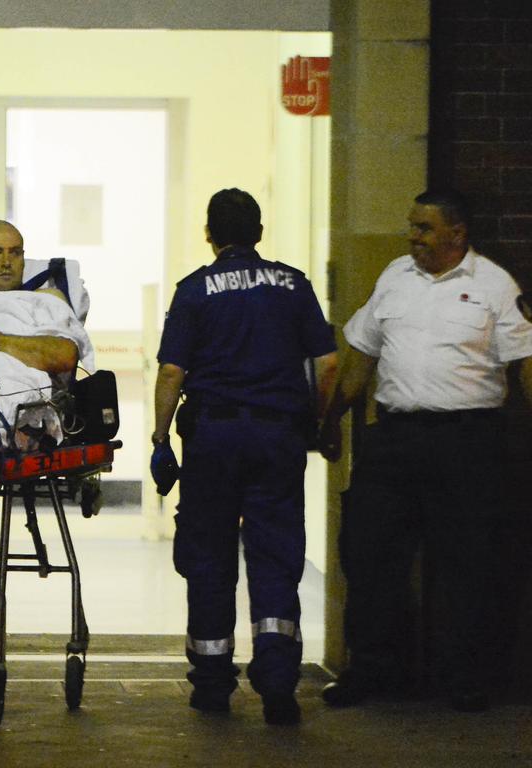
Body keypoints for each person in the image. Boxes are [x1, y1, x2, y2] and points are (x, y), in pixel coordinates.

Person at [318, 189, 532, 712]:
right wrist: (332, 417)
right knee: (370, 555)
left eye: (424, 228)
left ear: (457, 234)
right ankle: (370, 670)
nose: (412, 236)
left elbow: (525, 362)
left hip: (468, 442)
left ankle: (463, 678)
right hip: (394, 441)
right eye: (411, 226)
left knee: (466, 564)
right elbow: (362, 354)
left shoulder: (494, 286)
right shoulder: (395, 277)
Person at [152, 188, 338, 725]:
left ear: (209, 234)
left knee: (209, 556)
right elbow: (327, 364)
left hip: (213, 438)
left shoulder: (195, 291)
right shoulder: (293, 285)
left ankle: (212, 685)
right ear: (259, 232)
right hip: (278, 439)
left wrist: (161, 439)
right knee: (276, 556)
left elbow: (171, 373)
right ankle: (279, 683)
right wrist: (320, 425)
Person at [0, 220, 79, 376]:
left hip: (19, 394)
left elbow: (65, 356)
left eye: (15, 252)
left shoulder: (44, 299)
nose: (6, 262)